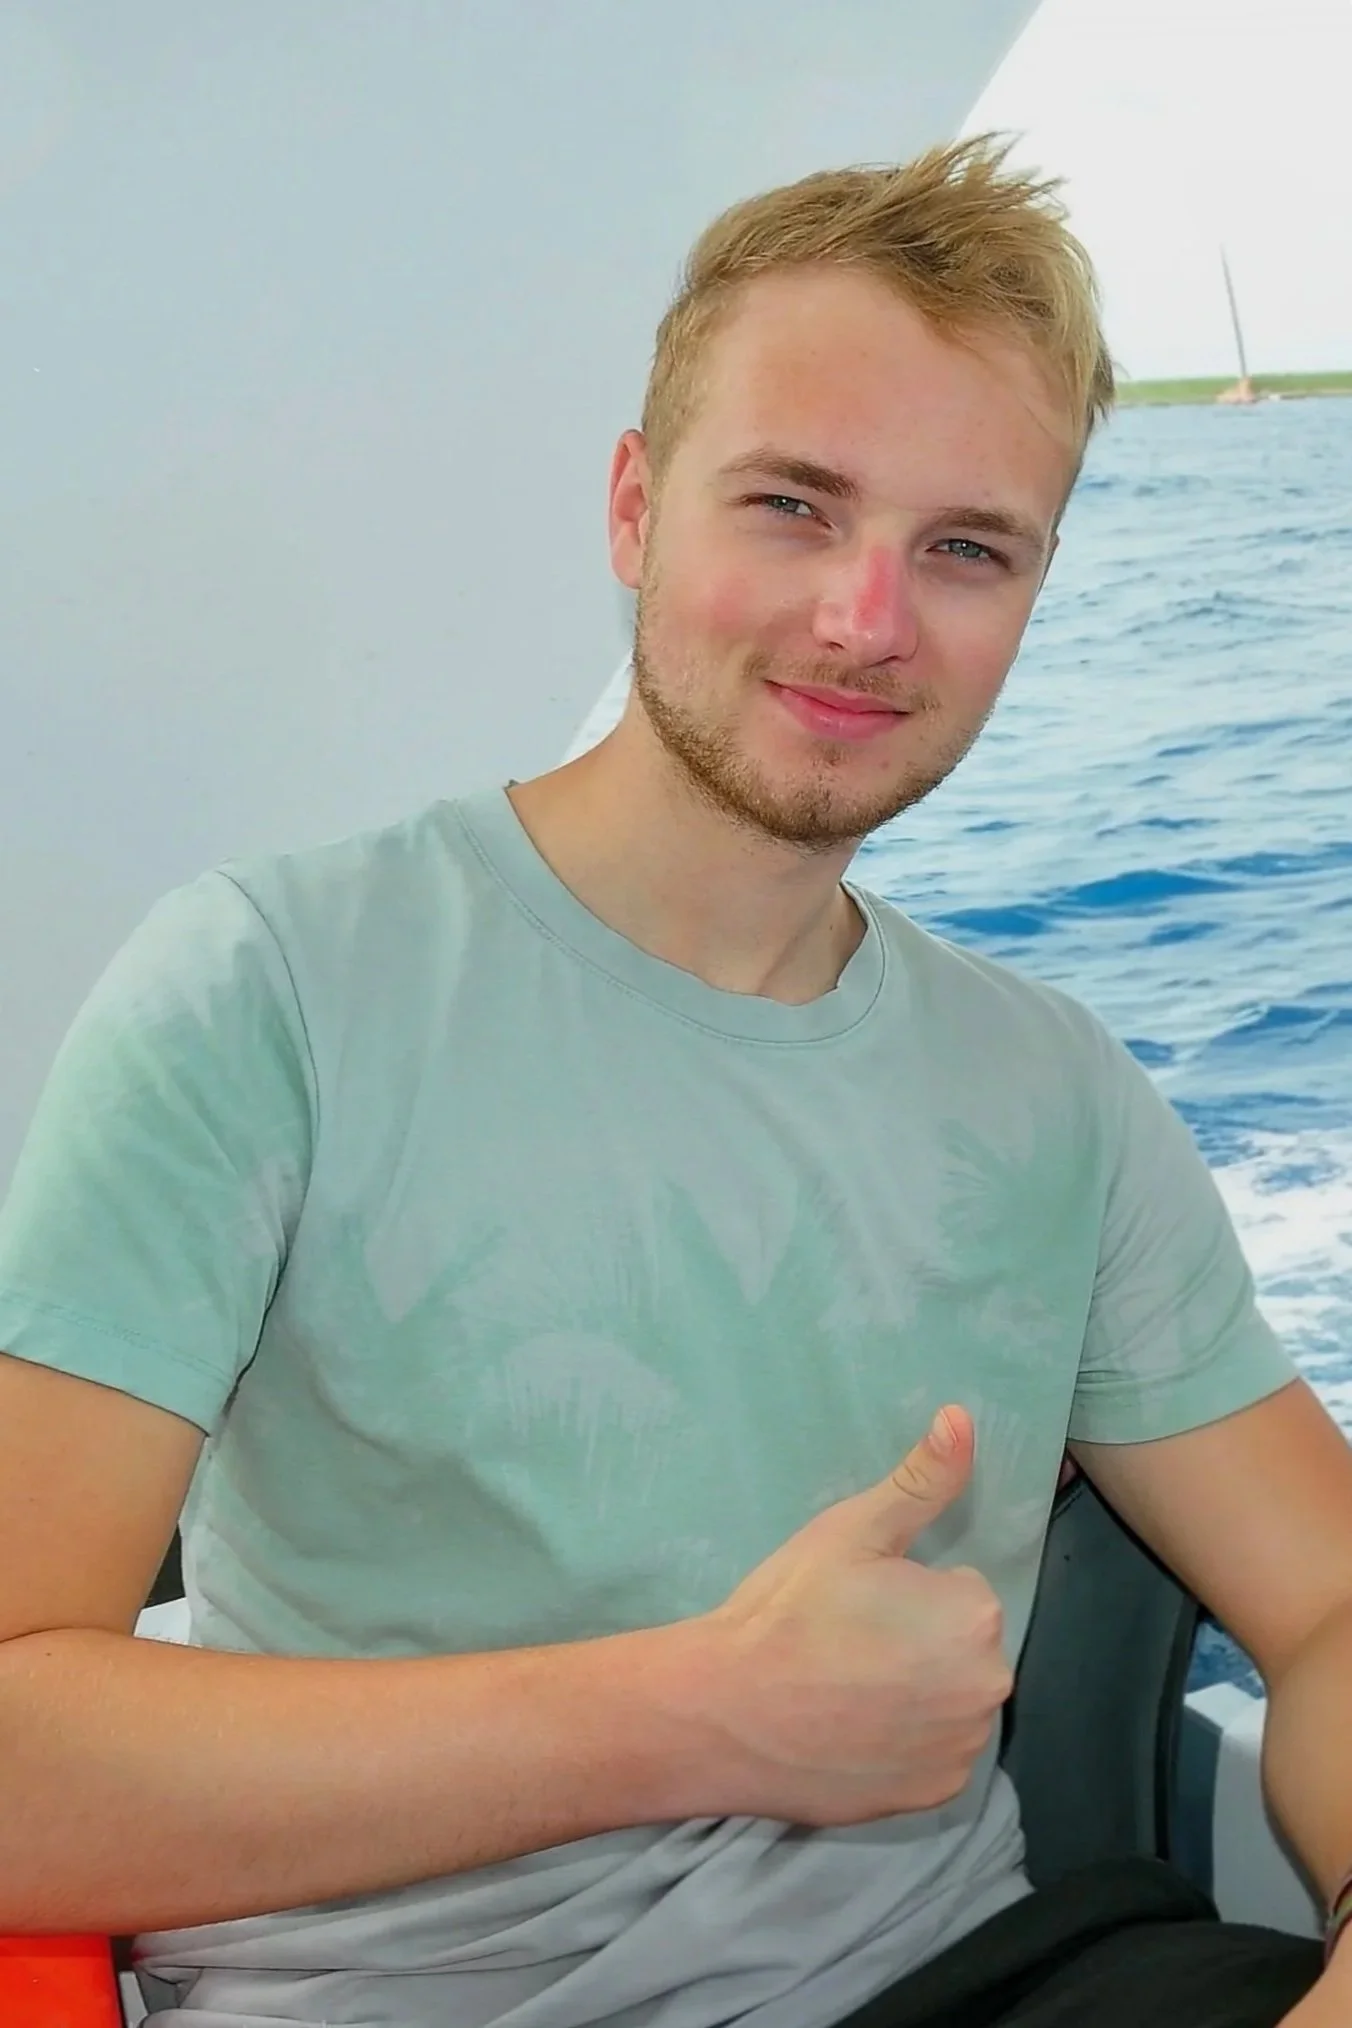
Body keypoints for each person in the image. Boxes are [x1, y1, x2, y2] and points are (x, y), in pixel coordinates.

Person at [0, 135, 1348, 2028]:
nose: (869, 620)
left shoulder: (1058, 1092)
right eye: (793, 505)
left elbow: (1329, 1602)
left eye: (967, 549)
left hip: (966, 1976)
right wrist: (700, 1716)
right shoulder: (268, 988)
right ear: (635, 509)